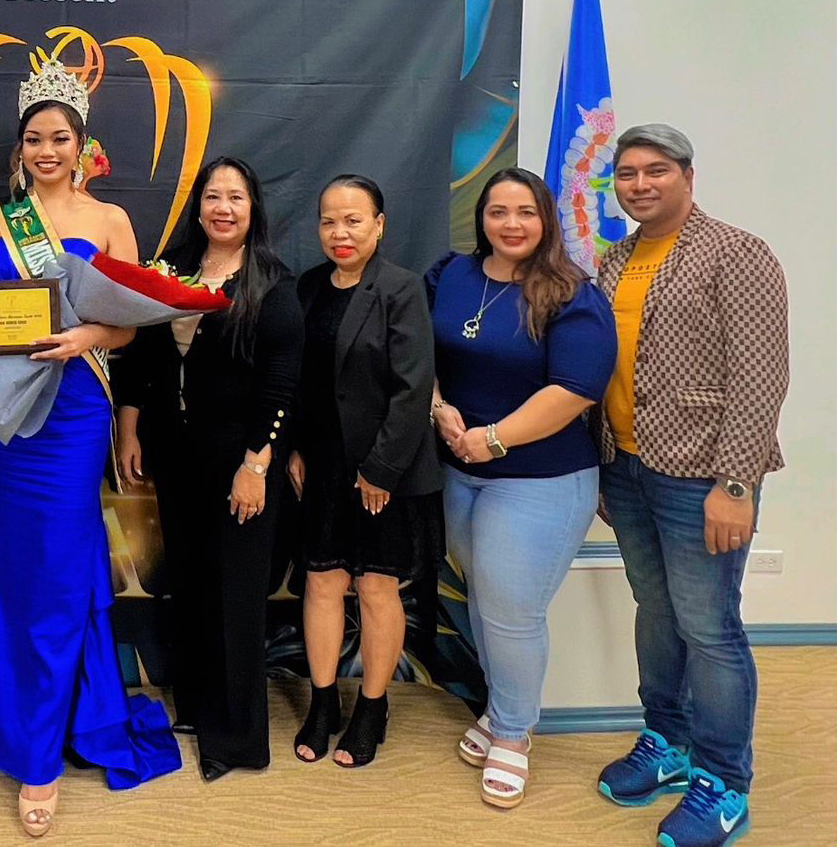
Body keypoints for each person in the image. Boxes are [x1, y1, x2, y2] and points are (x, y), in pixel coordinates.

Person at [0, 59, 181, 837]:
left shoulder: (110, 221)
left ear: (82, 145)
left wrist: (85, 334)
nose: (47, 150)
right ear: (19, 148)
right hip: (9, 415)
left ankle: (39, 756)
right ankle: (32, 724)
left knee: (55, 571)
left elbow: (131, 326)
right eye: (35, 139)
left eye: (60, 138)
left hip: (76, 411)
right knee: (20, 575)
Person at [592, 125, 787, 847]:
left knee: (710, 629)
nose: (640, 184)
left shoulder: (736, 253)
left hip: (702, 474)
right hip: (629, 466)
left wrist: (737, 482)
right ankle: (667, 743)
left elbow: (762, 374)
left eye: (657, 171)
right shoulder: (614, 261)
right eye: (628, 173)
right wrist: (606, 462)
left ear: (688, 176)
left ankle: (724, 781)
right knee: (656, 611)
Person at [427, 167, 616, 810]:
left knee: (511, 610)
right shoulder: (450, 276)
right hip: (462, 472)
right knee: (486, 597)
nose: (511, 224)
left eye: (525, 212)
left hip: (541, 479)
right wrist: (437, 407)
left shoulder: (571, 294)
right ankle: (502, 709)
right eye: (498, 211)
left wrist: (494, 439)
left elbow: (574, 390)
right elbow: (414, 351)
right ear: (481, 217)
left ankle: (513, 733)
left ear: (546, 221)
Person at [114, 156, 302, 781]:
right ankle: (197, 708)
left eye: (237, 198)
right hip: (177, 453)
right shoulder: (171, 270)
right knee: (191, 583)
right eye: (214, 196)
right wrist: (133, 425)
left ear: (254, 210)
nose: (224, 208)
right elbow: (141, 355)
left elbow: (282, 384)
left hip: (242, 462)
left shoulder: (272, 283)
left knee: (237, 595)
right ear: (198, 206)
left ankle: (239, 739)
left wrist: (257, 462)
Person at [285, 174, 442, 770]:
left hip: (384, 469)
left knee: (376, 586)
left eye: (354, 220)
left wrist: (380, 468)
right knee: (323, 582)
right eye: (329, 221)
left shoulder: (400, 288)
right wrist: (296, 445)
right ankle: (322, 703)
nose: (340, 232)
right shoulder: (306, 289)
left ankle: (371, 707)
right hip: (322, 464)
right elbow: (295, 380)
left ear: (379, 224)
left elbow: (412, 388)